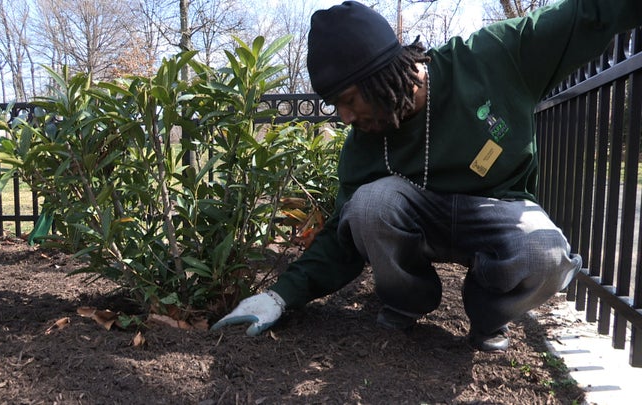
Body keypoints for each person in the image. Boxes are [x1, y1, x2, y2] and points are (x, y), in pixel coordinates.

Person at [211, 0, 642, 352]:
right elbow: (342, 240)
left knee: (546, 253)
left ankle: (487, 312)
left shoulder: (492, 58)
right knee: (368, 204)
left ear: (384, 73)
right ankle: (408, 300)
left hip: (499, 211)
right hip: (420, 221)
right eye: (334, 105)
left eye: (348, 99)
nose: (344, 117)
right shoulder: (365, 143)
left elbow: (589, 14)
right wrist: (278, 296)